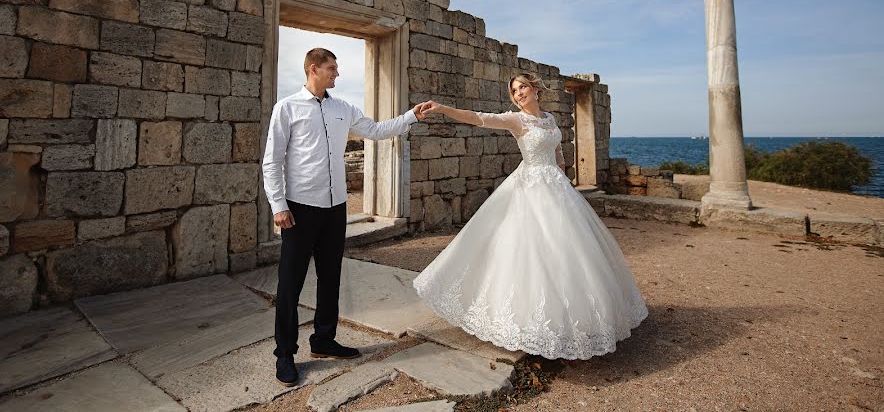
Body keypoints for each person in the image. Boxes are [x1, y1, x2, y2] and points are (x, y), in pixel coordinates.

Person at [413, 73, 648, 360]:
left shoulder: (549, 119)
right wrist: (443, 108)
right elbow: (478, 117)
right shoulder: (517, 120)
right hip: (528, 188)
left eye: (522, 86)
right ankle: (529, 325)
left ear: (535, 89)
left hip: (557, 190)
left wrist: (564, 182)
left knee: (568, 252)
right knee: (527, 252)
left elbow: (559, 154)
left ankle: (575, 320)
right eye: (514, 90)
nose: (518, 93)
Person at [262, 47, 426, 386]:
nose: (336, 74)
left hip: (335, 209)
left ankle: (323, 340)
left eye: (336, 68)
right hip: (299, 209)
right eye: (331, 68)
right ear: (313, 69)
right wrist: (278, 205)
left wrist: (411, 116)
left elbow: (378, 130)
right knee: (290, 284)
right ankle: (285, 354)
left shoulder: (343, 108)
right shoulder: (287, 108)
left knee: (331, 278)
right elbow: (272, 161)